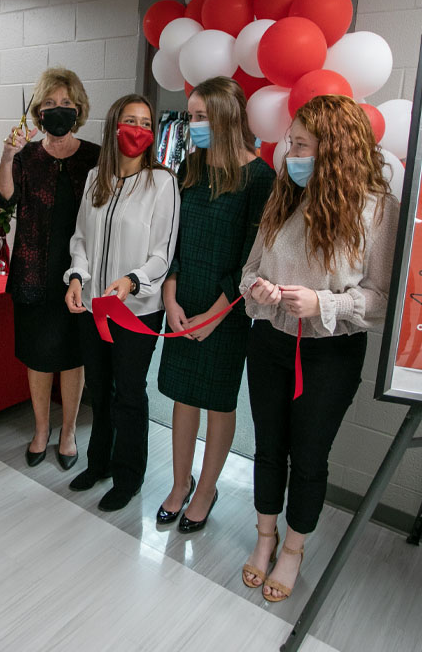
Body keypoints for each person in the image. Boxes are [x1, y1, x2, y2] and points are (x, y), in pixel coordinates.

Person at [239, 95, 399, 601]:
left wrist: (324, 303)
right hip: (268, 342)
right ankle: (265, 539)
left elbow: (380, 299)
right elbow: (250, 270)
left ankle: (293, 549)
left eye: (302, 146)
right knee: (268, 446)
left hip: (329, 356)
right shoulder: (285, 195)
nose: (291, 155)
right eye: (291, 144)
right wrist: (259, 290)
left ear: (334, 149)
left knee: (308, 457)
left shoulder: (378, 210)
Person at [156, 77, 275, 533]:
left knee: (217, 401)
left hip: (227, 311)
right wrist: (170, 293)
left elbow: (253, 255)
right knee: (183, 396)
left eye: (202, 116)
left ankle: (206, 490)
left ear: (227, 117)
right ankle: (179, 483)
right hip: (183, 301)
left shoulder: (260, 178)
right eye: (192, 116)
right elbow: (176, 240)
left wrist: (216, 313)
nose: (193, 124)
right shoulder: (192, 167)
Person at [64, 94, 180, 511]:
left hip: (136, 311)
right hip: (94, 307)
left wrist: (134, 281)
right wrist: (77, 275)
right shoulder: (97, 177)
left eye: (146, 123)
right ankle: (99, 464)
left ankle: (129, 476)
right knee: (99, 387)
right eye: (129, 120)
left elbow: (163, 253)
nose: (138, 129)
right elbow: (80, 238)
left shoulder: (162, 183)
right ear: (115, 126)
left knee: (129, 392)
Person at [0, 67, 99, 470]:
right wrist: (6, 156)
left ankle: (68, 431)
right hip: (32, 272)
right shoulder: (25, 157)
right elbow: (3, 202)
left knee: (73, 357)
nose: (58, 111)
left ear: (79, 110)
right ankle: (41, 429)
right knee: (38, 356)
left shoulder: (95, 157)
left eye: (66, 104)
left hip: (79, 274)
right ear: (37, 112)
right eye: (50, 104)